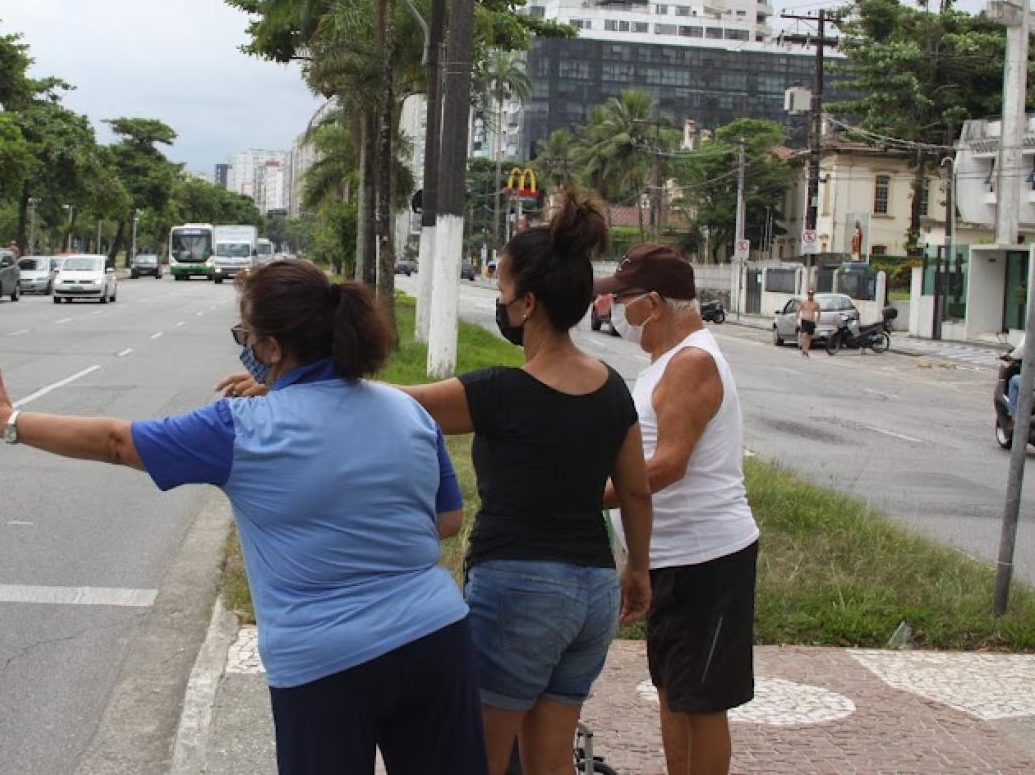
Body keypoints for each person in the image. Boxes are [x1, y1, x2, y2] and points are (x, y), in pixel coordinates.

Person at [0, 260, 485, 775]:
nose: (243, 346)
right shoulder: (405, 408)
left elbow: (117, 442)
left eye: (245, 337)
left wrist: (10, 421)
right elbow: (448, 518)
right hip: (436, 639)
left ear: (269, 347)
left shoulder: (239, 428)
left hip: (323, 663)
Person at [222, 190, 654, 775]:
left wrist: (288, 390)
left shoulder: (501, 391)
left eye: (501, 292)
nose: (500, 303)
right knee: (551, 757)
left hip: (520, 587)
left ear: (526, 305)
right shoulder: (612, 387)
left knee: (483, 757)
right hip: (594, 591)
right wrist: (639, 569)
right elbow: (635, 491)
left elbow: (397, 403)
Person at [596, 244, 760, 775]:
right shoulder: (663, 363)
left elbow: (668, 465)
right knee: (671, 691)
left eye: (621, 300)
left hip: (705, 558)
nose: (614, 311)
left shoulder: (691, 362)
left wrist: (577, 493)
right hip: (670, 559)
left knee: (701, 702)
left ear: (653, 304)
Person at [797, 290, 820, 357]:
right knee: (804, 335)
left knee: (809, 337)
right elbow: (798, 310)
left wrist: (817, 322)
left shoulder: (816, 303)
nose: (810, 296)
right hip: (804, 320)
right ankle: (803, 349)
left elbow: (819, 313)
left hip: (811, 321)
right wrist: (797, 319)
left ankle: (806, 350)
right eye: (809, 294)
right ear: (807, 295)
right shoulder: (804, 302)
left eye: (812, 294)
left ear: (813, 295)